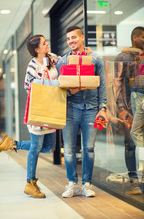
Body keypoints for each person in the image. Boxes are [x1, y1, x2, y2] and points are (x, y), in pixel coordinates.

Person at [0, 34, 59, 198]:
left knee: (48, 147)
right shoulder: (32, 66)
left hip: (52, 111)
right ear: (37, 49)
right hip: (38, 111)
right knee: (36, 148)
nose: (47, 44)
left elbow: (64, 61)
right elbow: (28, 87)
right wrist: (41, 78)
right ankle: (30, 183)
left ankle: (12, 143)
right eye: (44, 43)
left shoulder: (52, 58)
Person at [56, 25, 108, 198]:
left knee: (89, 148)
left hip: (91, 109)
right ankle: (72, 184)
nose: (71, 41)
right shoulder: (63, 61)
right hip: (70, 109)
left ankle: (87, 184)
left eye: (74, 37)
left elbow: (102, 86)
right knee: (69, 149)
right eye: (68, 38)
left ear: (82, 37)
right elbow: (59, 88)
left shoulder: (95, 60)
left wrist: (103, 108)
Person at [114, 26, 144, 194]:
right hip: (130, 107)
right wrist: (121, 108)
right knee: (131, 144)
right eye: (143, 39)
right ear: (134, 37)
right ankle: (134, 181)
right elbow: (117, 84)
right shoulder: (123, 57)